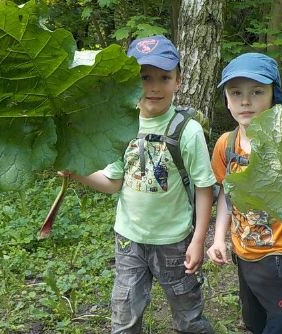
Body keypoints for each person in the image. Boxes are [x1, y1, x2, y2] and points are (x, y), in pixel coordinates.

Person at [61, 35, 216, 333]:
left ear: (178, 81)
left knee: (188, 313)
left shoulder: (188, 130)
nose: (154, 86)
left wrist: (198, 240)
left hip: (174, 241)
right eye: (144, 77)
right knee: (124, 313)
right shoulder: (122, 126)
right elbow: (112, 183)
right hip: (129, 239)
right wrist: (75, 173)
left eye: (164, 77)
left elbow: (204, 187)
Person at [206, 53, 282, 334]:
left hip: (279, 255)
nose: (245, 101)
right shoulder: (225, 145)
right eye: (236, 92)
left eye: (257, 92)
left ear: (273, 96)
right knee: (254, 322)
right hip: (243, 253)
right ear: (227, 100)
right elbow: (225, 196)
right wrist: (219, 238)